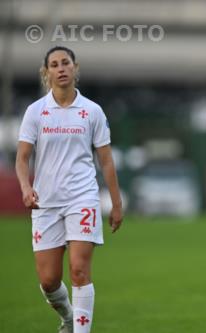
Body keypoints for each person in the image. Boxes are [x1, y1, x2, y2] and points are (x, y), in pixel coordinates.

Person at [15, 46, 123, 333]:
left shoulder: (92, 111)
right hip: (46, 203)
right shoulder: (35, 112)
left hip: (82, 198)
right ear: (46, 72)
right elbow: (22, 158)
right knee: (49, 280)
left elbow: (107, 160)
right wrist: (26, 187)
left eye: (66, 63)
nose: (61, 68)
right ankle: (68, 317)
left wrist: (116, 203)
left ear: (75, 68)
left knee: (79, 271)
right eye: (54, 64)